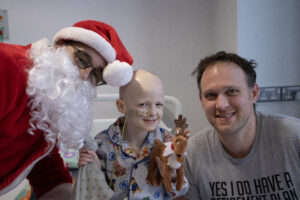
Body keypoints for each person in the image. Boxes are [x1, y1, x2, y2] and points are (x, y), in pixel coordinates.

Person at [0, 20, 134, 199]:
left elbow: (45, 167)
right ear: (60, 45)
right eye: (81, 59)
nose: (84, 75)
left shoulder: (47, 100)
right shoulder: (6, 64)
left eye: (96, 74)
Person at [184, 51, 300, 199]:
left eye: (232, 91)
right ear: (202, 100)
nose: (222, 105)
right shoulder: (191, 156)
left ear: (254, 93)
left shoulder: (294, 137)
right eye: (211, 95)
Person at [78, 70, 189, 200]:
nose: (153, 112)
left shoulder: (168, 142)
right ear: (122, 106)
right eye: (143, 105)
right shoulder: (102, 143)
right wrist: (94, 167)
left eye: (159, 104)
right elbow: (96, 191)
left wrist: (172, 175)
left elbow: (180, 191)